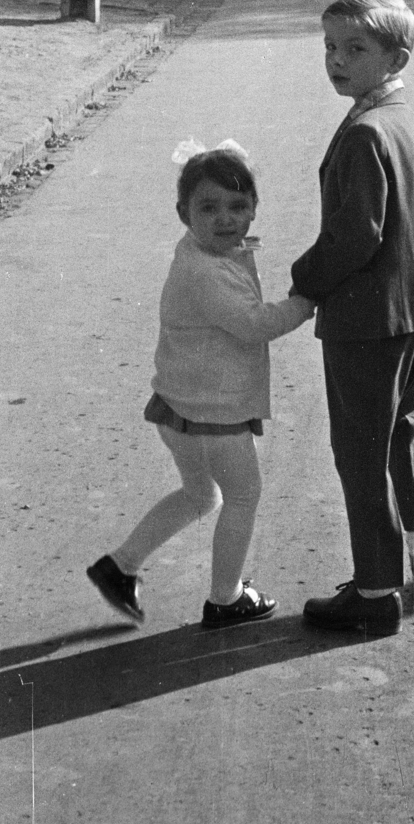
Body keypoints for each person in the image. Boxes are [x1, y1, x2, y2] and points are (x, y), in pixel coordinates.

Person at [87, 143, 313, 630]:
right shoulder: (205, 271)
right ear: (183, 214)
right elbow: (254, 324)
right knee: (243, 496)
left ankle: (120, 565)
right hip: (215, 414)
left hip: (181, 407)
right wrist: (304, 302)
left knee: (200, 496)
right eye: (208, 208)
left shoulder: (203, 252)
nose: (226, 220)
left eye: (238, 206)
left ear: (254, 207)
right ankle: (226, 597)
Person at [291, 0, 414, 638]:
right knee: (403, 435)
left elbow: (356, 236)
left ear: (395, 56)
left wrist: (304, 282)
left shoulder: (362, 133)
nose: (336, 60)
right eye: (330, 47)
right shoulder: (402, 117)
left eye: (355, 49)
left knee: (360, 454)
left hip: (370, 322)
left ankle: (376, 588)